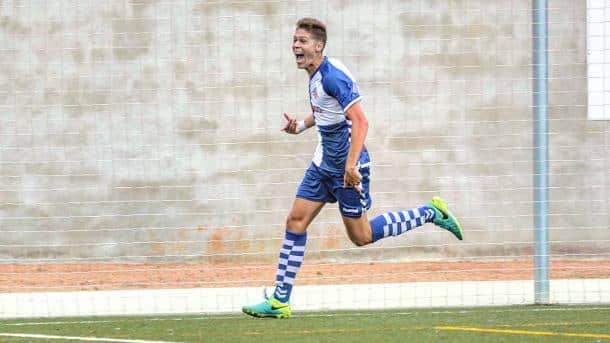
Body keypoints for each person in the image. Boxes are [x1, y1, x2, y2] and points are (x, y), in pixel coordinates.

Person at [242, 17, 463, 319]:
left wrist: (350, 166)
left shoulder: (332, 76)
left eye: (302, 41)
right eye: (294, 40)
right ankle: (280, 301)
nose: (295, 45)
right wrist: (301, 126)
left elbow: (361, 121)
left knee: (361, 237)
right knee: (295, 221)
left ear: (318, 46)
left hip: (348, 170)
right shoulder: (317, 73)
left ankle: (430, 212)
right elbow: (325, 110)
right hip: (323, 166)